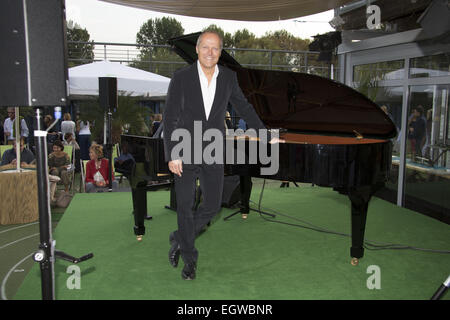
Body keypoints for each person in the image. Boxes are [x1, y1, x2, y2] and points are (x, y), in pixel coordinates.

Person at [163, 30, 281, 280]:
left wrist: (265, 134)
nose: (210, 52)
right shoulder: (181, 77)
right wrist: (172, 153)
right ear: (197, 49)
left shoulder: (228, 77)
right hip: (184, 149)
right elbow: (170, 117)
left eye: (215, 48)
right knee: (185, 206)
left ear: (220, 52)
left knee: (213, 205)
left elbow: (244, 107)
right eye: (206, 47)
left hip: (213, 150)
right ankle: (189, 259)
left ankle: (179, 239)